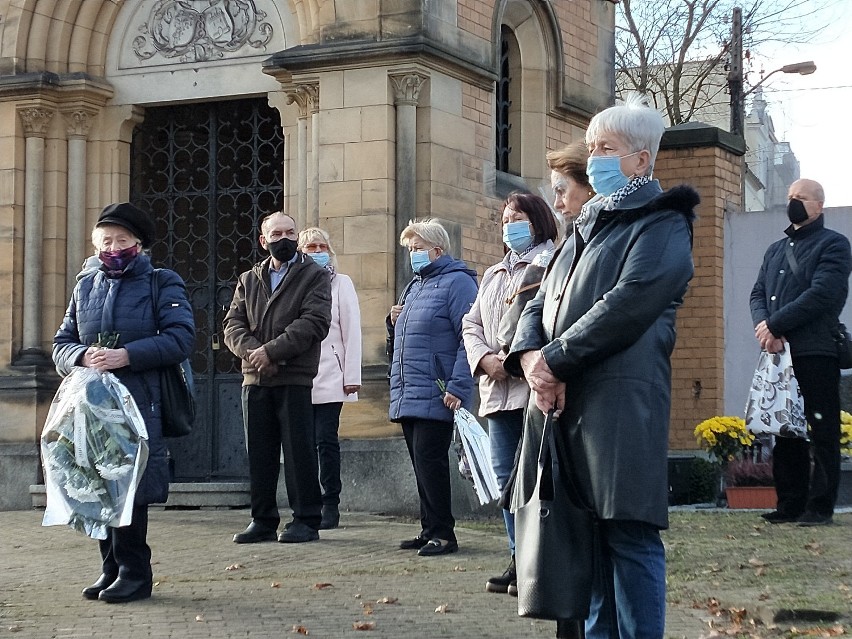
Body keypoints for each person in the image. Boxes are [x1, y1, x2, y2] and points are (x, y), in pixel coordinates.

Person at [505, 93, 698, 639]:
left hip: (619, 403)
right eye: (590, 148)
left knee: (628, 536)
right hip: (565, 404)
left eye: (605, 148)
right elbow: (540, 301)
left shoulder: (662, 224)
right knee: (584, 536)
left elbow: (628, 303)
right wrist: (529, 357)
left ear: (641, 159)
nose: (593, 159)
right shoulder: (587, 225)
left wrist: (554, 362)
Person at [53, 202, 195, 603]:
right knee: (100, 486)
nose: (112, 248)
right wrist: (83, 355)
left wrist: (126, 355)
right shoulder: (85, 285)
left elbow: (181, 339)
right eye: (104, 241)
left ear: (138, 243)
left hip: (140, 402)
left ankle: (135, 572)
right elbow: (61, 343)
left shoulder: (162, 282)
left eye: (121, 240)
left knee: (129, 489)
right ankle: (110, 568)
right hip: (93, 410)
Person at [461, 193, 557, 594]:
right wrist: (484, 360)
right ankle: (518, 559)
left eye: (516, 217)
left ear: (536, 221)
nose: (509, 226)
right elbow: (471, 324)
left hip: (530, 391)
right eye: (504, 220)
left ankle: (541, 562)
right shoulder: (492, 274)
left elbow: (544, 319)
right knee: (505, 482)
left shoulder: (549, 263)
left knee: (534, 479)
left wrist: (511, 360)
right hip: (495, 394)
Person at [224, 212, 332, 544]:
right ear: (263, 240)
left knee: (299, 451)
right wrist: (254, 354)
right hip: (255, 378)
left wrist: (272, 352)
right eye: (276, 233)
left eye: (289, 232)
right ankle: (263, 519)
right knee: (260, 452)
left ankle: (306, 519)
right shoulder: (248, 278)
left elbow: (313, 322)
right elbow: (232, 324)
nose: (283, 238)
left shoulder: (314, 275)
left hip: (294, 377)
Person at [750, 178, 851, 527]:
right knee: (784, 430)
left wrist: (776, 325)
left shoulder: (834, 245)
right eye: (790, 196)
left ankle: (819, 507)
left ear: (819, 206)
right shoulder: (776, 249)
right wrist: (765, 329)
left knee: (821, 430)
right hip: (778, 355)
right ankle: (789, 503)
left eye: (802, 198)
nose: (794, 202)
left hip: (816, 351)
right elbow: (757, 294)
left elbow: (823, 294)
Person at [388, 219, 478, 556]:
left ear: (437, 250)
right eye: (410, 249)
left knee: (432, 461)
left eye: (417, 248)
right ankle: (428, 529)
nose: (412, 255)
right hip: (409, 391)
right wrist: (391, 322)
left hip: (438, 390)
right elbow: (403, 341)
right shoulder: (414, 287)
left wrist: (457, 385)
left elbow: (467, 338)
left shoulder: (458, 284)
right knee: (421, 464)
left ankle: (444, 533)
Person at [297, 227, 362, 530]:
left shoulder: (341, 284)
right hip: (298, 376)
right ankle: (305, 503)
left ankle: (330, 503)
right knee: (302, 443)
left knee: (325, 440)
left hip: (331, 376)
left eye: (322, 246)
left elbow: (351, 331)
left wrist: (352, 376)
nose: (317, 251)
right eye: (311, 247)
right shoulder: (291, 283)